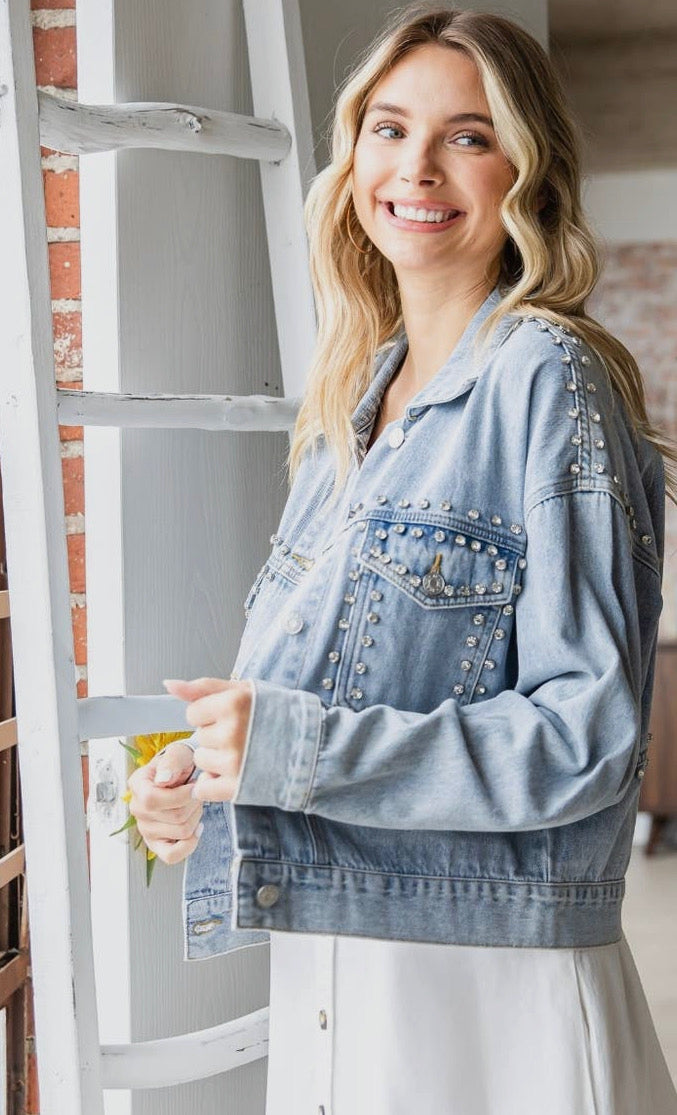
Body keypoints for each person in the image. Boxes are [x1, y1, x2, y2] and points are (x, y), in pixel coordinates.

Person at [127, 5, 677, 1112]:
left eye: (466, 135)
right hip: (336, 976)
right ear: (351, 156)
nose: (415, 166)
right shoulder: (353, 409)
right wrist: (204, 781)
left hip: (486, 997)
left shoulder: (546, 379)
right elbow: (318, 713)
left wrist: (291, 747)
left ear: (528, 169)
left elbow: (587, 737)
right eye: (387, 127)